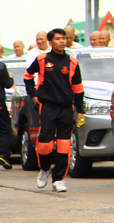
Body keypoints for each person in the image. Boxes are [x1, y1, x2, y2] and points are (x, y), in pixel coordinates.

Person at [23, 28, 85, 192]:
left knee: (64, 146)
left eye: (63, 38)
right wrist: (33, 96)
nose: (62, 41)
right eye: (58, 39)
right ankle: (44, 169)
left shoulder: (72, 62)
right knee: (44, 145)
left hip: (66, 108)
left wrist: (80, 110)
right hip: (48, 107)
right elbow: (28, 76)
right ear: (50, 43)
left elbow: (78, 88)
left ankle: (58, 179)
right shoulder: (42, 59)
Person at [0, 59, 13, 169]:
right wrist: (11, 78)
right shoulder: (1, 66)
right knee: (4, 128)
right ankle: (4, 154)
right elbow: (7, 84)